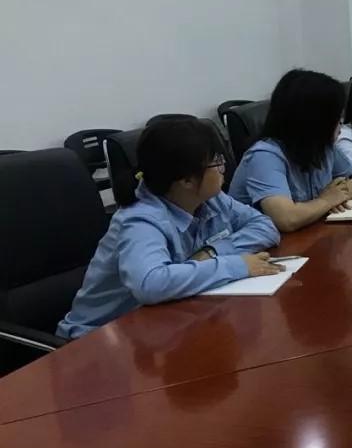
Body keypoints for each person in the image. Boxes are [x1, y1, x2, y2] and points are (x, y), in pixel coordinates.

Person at [56, 118, 282, 340]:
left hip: (163, 324)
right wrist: (235, 265)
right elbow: (150, 284)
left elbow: (265, 227)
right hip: (98, 340)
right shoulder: (140, 220)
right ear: (186, 180)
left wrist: (213, 252)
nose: (223, 169)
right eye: (216, 162)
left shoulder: (212, 199)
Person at [229, 68, 352, 232]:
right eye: (336, 118)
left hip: (311, 234)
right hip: (262, 245)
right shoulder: (264, 156)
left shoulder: (322, 147)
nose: (341, 125)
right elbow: (286, 219)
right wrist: (326, 201)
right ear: (315, 121)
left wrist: (335, 197)